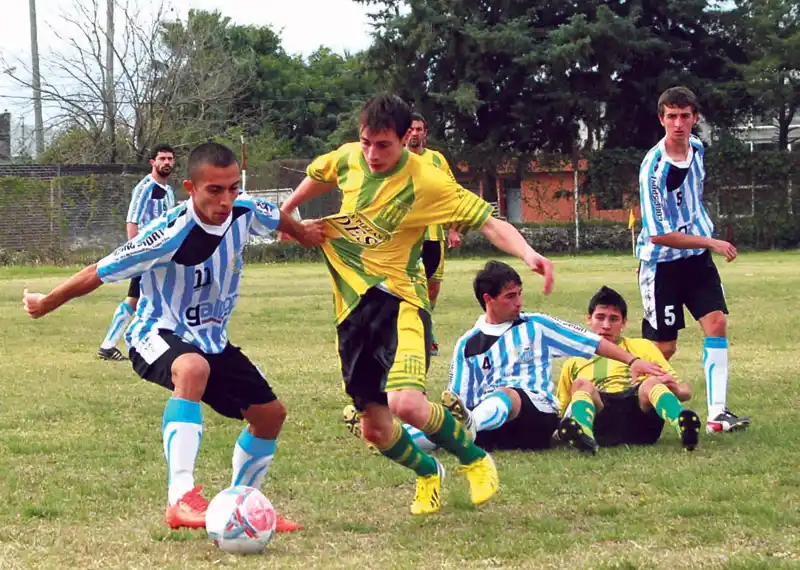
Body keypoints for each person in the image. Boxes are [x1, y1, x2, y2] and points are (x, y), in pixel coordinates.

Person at [281, 93, 640, 515]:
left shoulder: (429, 181)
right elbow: (317, 175)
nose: (373, 154)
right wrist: (289, 215)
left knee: (406, 404)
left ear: (406, 139)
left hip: (401, 303)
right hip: (351, 311)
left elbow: (490, 221)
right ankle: (428, 471)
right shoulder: (347, 159)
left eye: (384, 145)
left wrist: (528, 255)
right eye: (366, 143)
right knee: (376, 431)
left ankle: (474, 459)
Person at [23, 142, 324, 531]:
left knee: (270, 416)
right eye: (215, 190)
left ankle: (241, 507)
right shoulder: (168, 233)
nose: (226, 199)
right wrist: (45, 303)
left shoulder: (245, 208)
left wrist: (301, 233)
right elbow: (96, 271)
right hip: (156, 334)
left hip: (213, 340)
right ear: (190, 188)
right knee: (193, 368)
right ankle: (179, 498)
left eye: (233, 187)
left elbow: (276, 217)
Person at [389, 261, 666, 454]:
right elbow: (457, 400)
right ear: (489, 299)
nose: (519, 302)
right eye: (511, 296)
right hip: (492, 427)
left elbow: (590, 342)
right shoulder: (467, 345)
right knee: (449, 425)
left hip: (536, 420)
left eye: (520, 294)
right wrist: (453, 420)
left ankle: (471, 427)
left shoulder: (537, 326)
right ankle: (390, 437)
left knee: (507, 395)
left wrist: (631, 361)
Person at [637, 86, 750, 433]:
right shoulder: (653, 170)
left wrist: (702, 239)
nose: (678, 123)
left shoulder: (698, 149)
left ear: (695, 118)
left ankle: (718, 414)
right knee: (663, 348)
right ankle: (631, 402)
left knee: (716, 323)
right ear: (661, 120)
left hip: (696, 259)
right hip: (662, 265)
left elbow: (694, 197)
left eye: (685, 116)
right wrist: (711, 241)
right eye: (671, 116)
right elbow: (659, 234)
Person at [557, 286, 701, 453]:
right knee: (581, 384)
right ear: (589, 319)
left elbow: (685, 391)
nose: (606, 325)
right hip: (600, 421)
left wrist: (675, 389)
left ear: (624, 322)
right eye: (600, 317)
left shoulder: (642, 347)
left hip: (640, 422)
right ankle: (584, 436)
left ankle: (683, 425)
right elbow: (563, 407)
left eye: (614, 319)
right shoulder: (575, 359)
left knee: (651, 382)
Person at [97, 143, 176, 361]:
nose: (167, 162)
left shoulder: (168, 190)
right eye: (162, 158)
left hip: (164, 253)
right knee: (136, 297)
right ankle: (110, 344)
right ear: (153, 162)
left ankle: (116, 344)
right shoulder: (145, 188)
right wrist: (135, 252)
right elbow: (132, 221)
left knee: (152, 296)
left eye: (170, 158)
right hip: (147, 253)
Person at [404, 113, 462, 355]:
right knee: (407, 285)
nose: (415, 133)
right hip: (407, 234)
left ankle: (427, 330)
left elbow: (452, 192)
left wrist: (454, 229)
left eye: (419, 129)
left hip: (434, 233)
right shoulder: (397, 158)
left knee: (433, 287)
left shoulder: (437, 159)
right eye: (411, 129)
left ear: (424, 133)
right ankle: (419, 336)